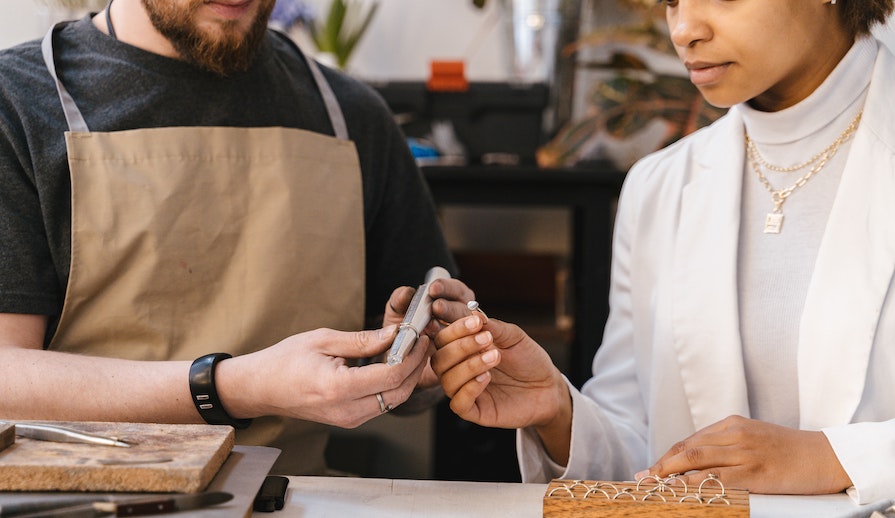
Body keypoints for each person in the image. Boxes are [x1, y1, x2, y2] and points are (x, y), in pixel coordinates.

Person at [431, 0, 895, 505]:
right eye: (671, 1)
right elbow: (646, 456)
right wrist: (558, 413)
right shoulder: (658, 188)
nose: (684, 30)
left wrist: (828, 457)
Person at [0, 0, 458, 475]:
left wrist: (421, 370)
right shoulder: (18, 102)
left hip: (303, 498)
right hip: (84, 497)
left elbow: (406, 369)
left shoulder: (350, 114)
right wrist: (234, 386)